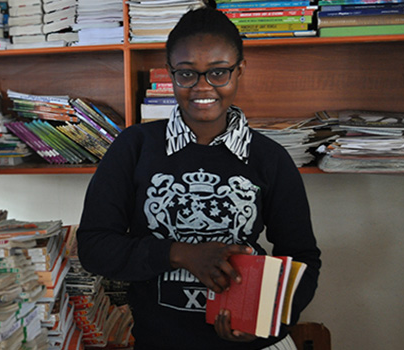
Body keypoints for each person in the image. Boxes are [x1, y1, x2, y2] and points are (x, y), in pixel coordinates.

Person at [76, 5, 321, 350]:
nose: (202, 87)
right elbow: (94, 247)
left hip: (254, 340)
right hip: (161, 340)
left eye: (219, 72)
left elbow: (302, 259)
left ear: (239, 71)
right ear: (170, 73)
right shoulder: (134, 147)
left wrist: (267, 321)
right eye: (187, 74)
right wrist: (180, 254)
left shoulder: (269, 158)